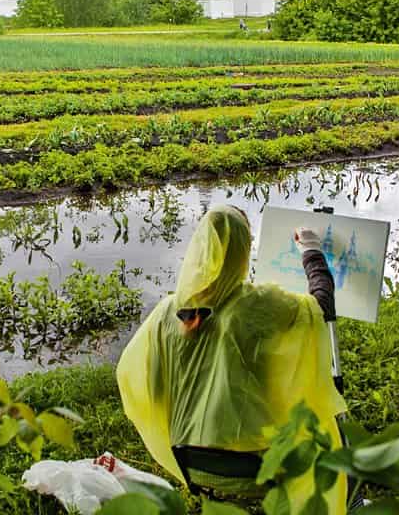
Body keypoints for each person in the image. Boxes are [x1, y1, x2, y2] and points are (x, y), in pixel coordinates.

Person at [116, 206, 346, 510]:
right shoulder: (258, 305)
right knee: (329, 435)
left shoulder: (166, 313)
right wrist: (311, 251)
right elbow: (320, 305)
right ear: (243, 251)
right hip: (259, 469)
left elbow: (146, 384)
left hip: (192, 463)